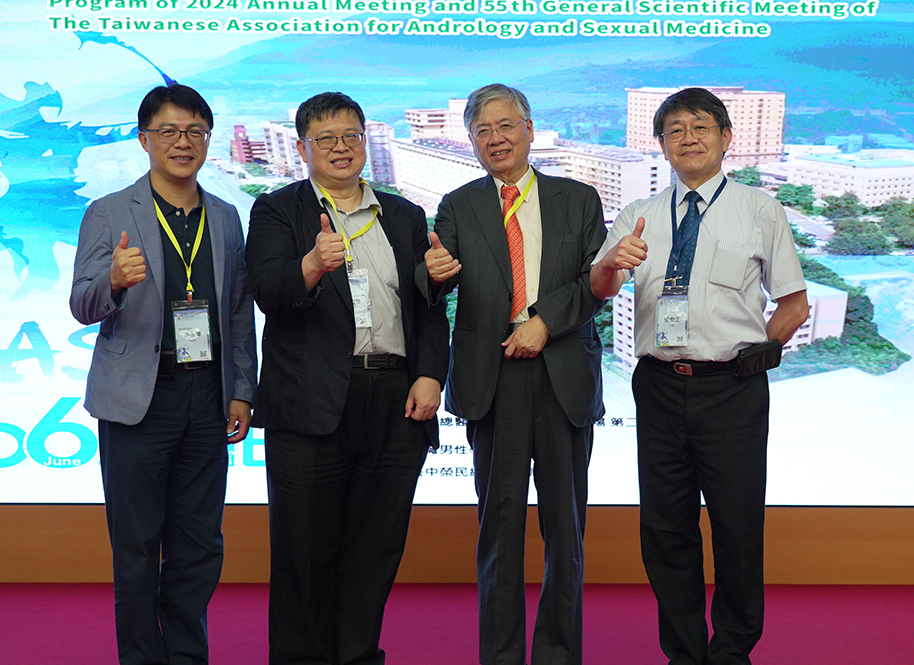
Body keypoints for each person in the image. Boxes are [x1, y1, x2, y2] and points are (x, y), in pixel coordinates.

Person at [590, 87, 810, 665]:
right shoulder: (638, 214)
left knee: (737, 526)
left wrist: (757, 354)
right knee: (665, 529)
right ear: (662, 144)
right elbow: (600, 289)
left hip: (732, 387)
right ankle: (684, 653)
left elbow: (793, 304)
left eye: (701, 127)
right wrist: (611, 262)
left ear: (726, 138)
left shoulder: (759, 209)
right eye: (676, 130)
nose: (688, 138)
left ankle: (732, 651)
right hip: (659, 385)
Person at [244, 91, 449, 665]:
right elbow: (268, 292)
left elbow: (428, 309)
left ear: (365, 140)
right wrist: (312, 264)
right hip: (311, 402)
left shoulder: (403, 215)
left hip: (396, 400)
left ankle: (358, 655)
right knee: (304, 552)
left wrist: (431, 374)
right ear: (303, 148)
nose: (340, 148)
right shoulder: (278, 210)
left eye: (350, 136)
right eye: (325, 139)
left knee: (375, 548)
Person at [417, 83, 607, 665]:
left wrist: (544, 322)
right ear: (471, 141)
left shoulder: (579, 199)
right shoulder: (458, 205)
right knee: (498, 530)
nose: (495, 138)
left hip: (562, 377)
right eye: (483, 130)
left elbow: (596, 282)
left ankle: (557, 654)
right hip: (491, 381)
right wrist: (434, 272)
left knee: (565, 532)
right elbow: (435, 281)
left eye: (505, 126)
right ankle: (499, 656)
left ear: (528, 129)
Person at [69, 84, 258, 665]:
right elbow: (81, 304)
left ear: (207, 139)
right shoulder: (108, 211)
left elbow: (237, 310)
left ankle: (186, 656)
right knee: (137, 549)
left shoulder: (224, 215)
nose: (183, 143)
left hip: (207, 396)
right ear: (144, 139)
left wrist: (241, 390)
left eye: (195, 132)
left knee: (199, 546)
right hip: (137, 401)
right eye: (169, 131)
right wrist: (113, 282)